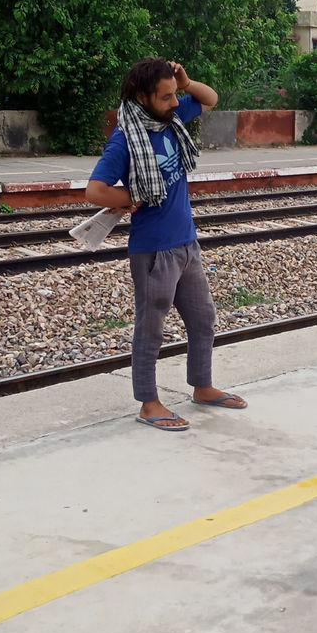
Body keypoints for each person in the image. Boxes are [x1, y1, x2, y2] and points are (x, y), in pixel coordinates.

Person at [86, 56, 247, 432]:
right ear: (143, 97)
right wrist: (125, 198)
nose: (175, 103)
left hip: (186, 242)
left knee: (203, 319)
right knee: (151, 328)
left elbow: (211, 98)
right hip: (154, 248)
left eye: (176, 95)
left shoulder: (170, 118)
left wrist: (186, 82)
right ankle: (149, 403)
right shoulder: (126, 139)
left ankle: (202, 387)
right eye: (166, 97)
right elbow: (94, 190)